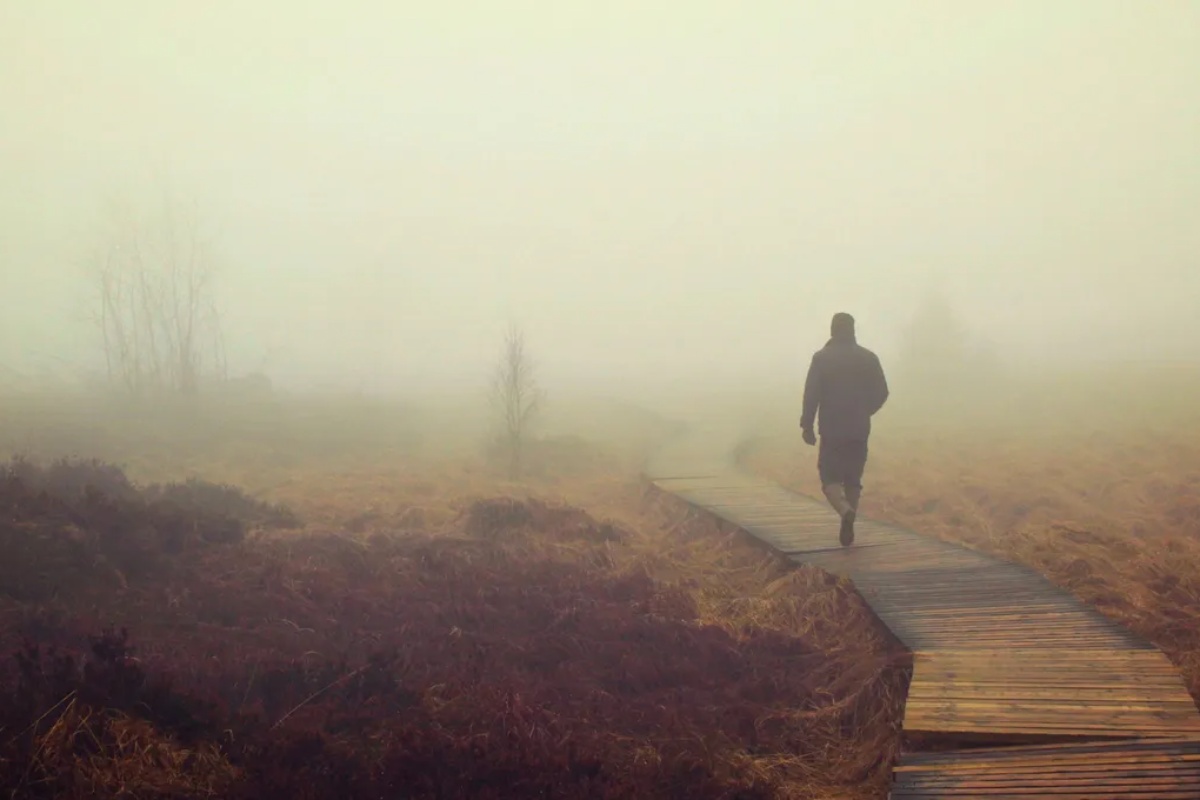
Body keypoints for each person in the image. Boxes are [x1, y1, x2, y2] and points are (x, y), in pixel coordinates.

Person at [799, 312, 889, 546]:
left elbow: (812, 395)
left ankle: (844, 509)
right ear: (852, 330)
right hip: (859, 429)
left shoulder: (821, 358)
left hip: (832, 429)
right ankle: (848, 516)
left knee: (829, 475)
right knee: (853, 478)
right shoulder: (869, 358)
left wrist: (807, 425)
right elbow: (882, 392)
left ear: (832, 330)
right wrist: (865, 410)